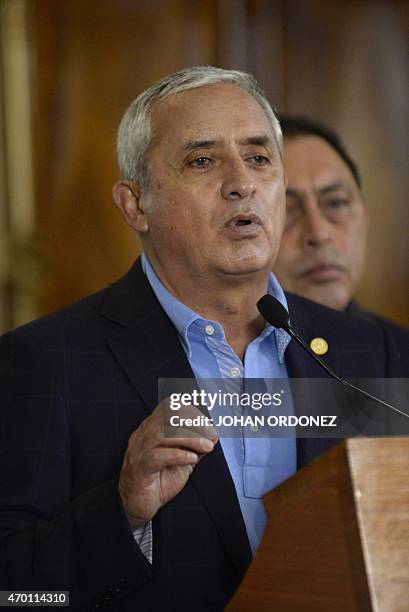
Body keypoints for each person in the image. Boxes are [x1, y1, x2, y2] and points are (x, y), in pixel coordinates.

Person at [0, 68, 404, 612]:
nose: (242, 182)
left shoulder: (363, 351)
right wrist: (122, 513)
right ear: (135, 204)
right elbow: (16, 594)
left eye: (259, 157)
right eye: (202, 160)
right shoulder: (45, 362)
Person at [274, 114, 409, 374]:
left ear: (366, 217)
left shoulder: (400, 357)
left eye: (336, 203)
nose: (319, 233)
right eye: (287, 210)